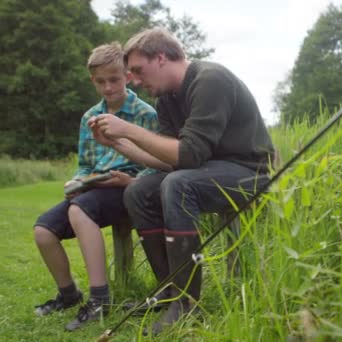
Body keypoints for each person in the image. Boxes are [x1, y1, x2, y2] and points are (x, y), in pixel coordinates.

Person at [88, 27, 275, 334]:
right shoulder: (167, 100)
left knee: (178, 183)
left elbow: (187, 156)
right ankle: (171, 289)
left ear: (161, 58)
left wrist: (129, 129)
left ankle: (187, 305)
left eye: (137, 70)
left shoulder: (209, 80)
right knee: (138, 191)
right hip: (208, 170)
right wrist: (118, 143)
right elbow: (168, 159)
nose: (133, 79)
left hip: (250, 173)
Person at [32, 42, 158, 331]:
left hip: (128, 188)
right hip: (94, 190)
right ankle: (68, 294)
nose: (108, 87)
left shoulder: (145, 114)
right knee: (43, 230)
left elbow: (154, 162)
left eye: (114, 79)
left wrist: (132, 181)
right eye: (101, 82)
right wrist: (78, 180)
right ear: (93, 81)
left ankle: (101, 299)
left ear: (127, 76)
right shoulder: (90, 117)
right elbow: (87, 164)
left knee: (79, 212)